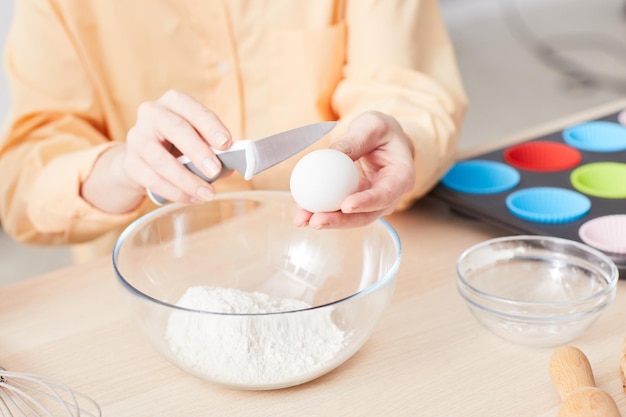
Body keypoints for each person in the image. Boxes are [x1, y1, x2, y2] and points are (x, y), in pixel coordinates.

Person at [0, 0, 467, 263]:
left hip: (331, 259)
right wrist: (123, 168)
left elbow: (406, 89)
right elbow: (22, 185)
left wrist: (399, 136)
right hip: (146, 281)